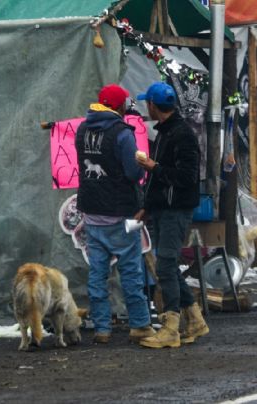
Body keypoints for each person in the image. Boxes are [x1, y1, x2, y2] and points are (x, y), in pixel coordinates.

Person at [75, 84, 155, 344]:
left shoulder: (81, 130)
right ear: (120, 107)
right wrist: (143, 167)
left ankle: (102, 329)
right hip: (123, 216)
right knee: (131, 270)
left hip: (91, 215)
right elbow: (133, 173)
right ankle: (141, 325)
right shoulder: (122, 134)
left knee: (97, 274)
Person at [134, 82, 209, 349]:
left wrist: (154, 167)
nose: (147, 107)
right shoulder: (167, 132)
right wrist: (148, 206)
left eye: (148, 103)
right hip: (163, 209)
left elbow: (187, 177)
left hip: (176, 210)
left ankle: (170, 328)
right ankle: (196, 321)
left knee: (165, 265)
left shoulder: (182, 135)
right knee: (167, 266)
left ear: (153, 106)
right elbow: (160, 181)